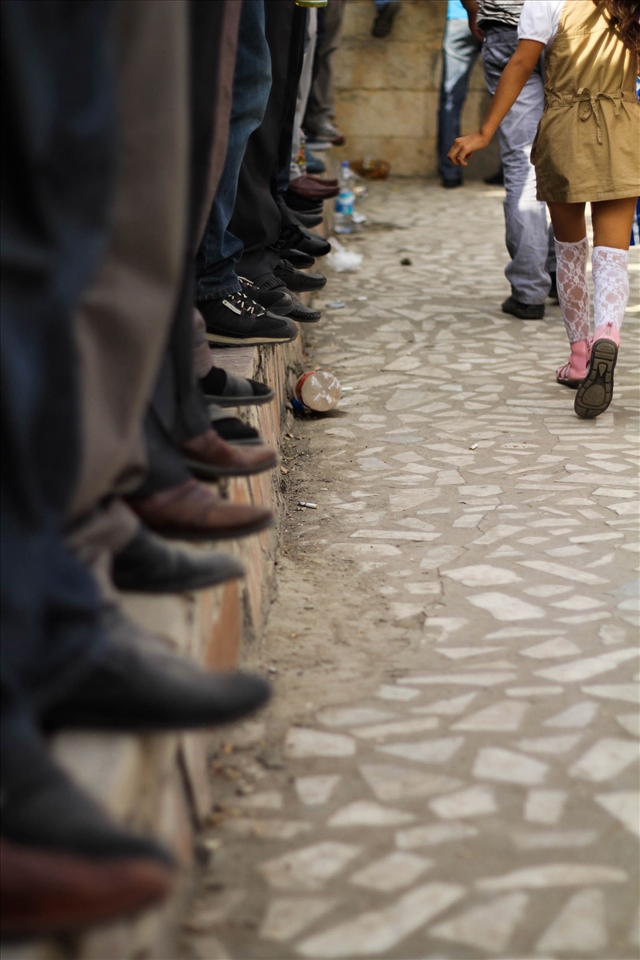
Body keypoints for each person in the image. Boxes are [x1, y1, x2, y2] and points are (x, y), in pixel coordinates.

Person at [449, 0, 640, 420]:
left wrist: (484, 132)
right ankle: (609, 331)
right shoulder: (629, 5)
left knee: (571, 251)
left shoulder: (546, 2)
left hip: (565, 130)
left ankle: (578, 359)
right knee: (613, 256)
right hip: (625, 129)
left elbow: (520, 64)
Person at [462, 0, 556, 319]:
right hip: (567, 29)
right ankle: (558, 273)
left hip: (507, 27)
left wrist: (475, 10)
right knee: (564, 155)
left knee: (523, 162)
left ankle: (530, 292)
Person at [438, 0, 482, 188]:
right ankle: (512, 171)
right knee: (512, 96)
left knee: (450, 100)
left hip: (459, 16)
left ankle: (450, 173)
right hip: (499, 19)